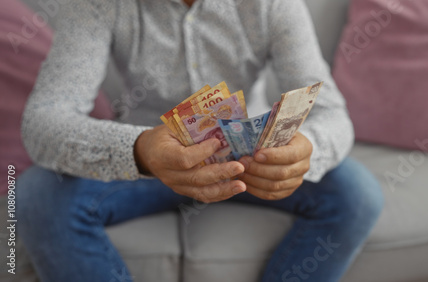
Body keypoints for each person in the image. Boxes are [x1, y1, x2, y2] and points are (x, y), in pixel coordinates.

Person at [17, 0, 384, 281]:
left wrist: (308, 149)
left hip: (247, 162)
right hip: (147, 162)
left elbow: (332, 113)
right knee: (36, 194)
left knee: (357, 195)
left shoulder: (272, 4)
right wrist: (141, 150)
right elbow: (44, 120)